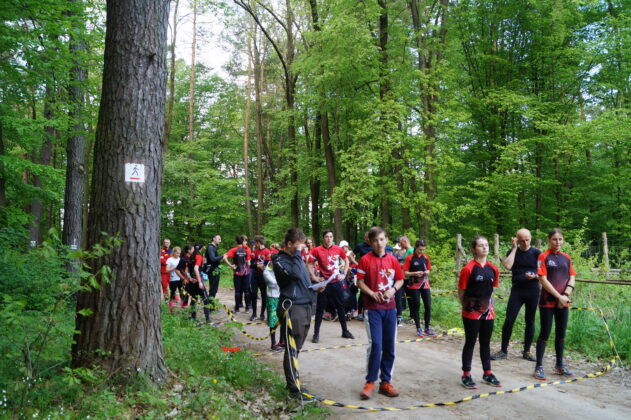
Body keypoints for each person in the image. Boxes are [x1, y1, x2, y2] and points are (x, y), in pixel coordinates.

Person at [357, 226, 404, 400]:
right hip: (372, 309)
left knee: (389, 346)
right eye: (375, 240)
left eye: (382, 239)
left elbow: (400, 279)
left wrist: (392, 290)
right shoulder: (365, 260)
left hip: (390, 309)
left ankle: (386, 382)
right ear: (370, 241)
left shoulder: (392, 259)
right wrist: (370, 293)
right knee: (376, 345)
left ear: (387, 240)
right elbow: (359, 282)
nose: (379, 243)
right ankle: (370, 381)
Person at [273, 228, 316, 399]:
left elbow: (303, 279)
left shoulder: (296, 259)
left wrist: (316, 287)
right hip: (293, 308)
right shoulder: (280, 260)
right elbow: (297, 274)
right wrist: (299, 255)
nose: (301, 250)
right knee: (291, 349)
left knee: (296, 348)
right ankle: (293, 389)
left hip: (305, 306)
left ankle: (293, 382)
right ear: (289, 244)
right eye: (298, 247)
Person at [458, 236, 501, 389]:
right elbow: (461, 291)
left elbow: (491, 290)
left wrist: (490, 309)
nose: (485, 247)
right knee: (470, 342)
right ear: (474, 249)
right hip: (471, 312)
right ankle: (466, 374)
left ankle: (487, 373)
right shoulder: (468, 268)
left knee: (486, 342)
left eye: (486, 245)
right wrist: (467, 307)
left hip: (488, 312)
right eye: (481, 245)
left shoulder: (494, 269)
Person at [492, 229, 541, 361]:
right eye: (522, 240)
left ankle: (527, 351)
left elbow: (543, 272)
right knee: (509, 320)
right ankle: (503, 350)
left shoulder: (537, 253)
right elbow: (507, 266)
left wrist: (535, 276)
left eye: (527, 239)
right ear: (517, 240)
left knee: (530, 321)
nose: (525, 243)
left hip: (533, 290)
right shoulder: (512, 252)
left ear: (531, 238)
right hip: (517, 290)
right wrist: (514, 249)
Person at [533, 228, 576, 380]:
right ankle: (538, 366)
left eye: (560, 239)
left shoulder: (566, 257)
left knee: (561, 333)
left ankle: (559, 364)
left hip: (563, 301)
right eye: (554, 239)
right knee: (545, 333)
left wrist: (565, 295)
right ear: (548, 240)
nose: (557, 242)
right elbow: (543, 279)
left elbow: (572, 277)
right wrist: (558, 297)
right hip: (547, 302)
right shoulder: (543, 256)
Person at [308, 230, 354, 343]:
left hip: (336, 282)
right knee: (320, 309)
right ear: (323, 238)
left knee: (341, 307)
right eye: (327, 237)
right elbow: (309, 263)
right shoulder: (316, 250)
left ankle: (345, 331)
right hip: (324, 283)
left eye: (331, 237)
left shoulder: (338, 249)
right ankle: (316, 334)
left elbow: (346, 261)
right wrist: (314, 277)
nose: (329, 239)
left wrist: (344, 273)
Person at [403, 239, 435, 337]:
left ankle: (427, 328)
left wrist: (426, 272)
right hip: (414, 285)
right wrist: (415, 273)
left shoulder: (426, 257)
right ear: (416, 247)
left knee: (428, 306)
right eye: (420, 249)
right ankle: (418, 328)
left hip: (425, 284)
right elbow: (405, 272)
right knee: (416, 306)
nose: (421, 251)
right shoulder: (409, 258)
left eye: (423, 249)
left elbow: (429, 270)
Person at [179, 244, 212, 323]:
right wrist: (200, 282)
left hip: (191, 282)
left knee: (194, 299)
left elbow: (185, 271)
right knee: (206, 300)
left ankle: (193, 317)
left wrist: (190, 278)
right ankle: (208, 320)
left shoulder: (190, 258)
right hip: (198, 281)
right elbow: (196, 269)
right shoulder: (198, 256)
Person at [223, 235, 252, 313]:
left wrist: (231, 265)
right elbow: (249, 263)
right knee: (246, 291)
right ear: (243, 241)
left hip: (237, 273)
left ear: (236, 242)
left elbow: (224, 257)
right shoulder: (247, 250)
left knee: (237, 291)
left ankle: (237, 309)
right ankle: (247, 309)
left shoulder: (233, 250)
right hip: (246, 273)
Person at [264, 253, 283, 352]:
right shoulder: (267, 271)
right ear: (271, 261)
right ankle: (273, 343)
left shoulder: (279, 269)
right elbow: (274, 283)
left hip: (281, 296)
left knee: (283, 319)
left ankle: (281, 341)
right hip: (272, 298)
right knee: (273, 321)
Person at [250, 235, 271, 321]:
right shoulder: (254, 252)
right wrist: (258, 265)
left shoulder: (267, 251)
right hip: (255, 276)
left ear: (258, 243)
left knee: (263, 295)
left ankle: (262, 314)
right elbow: (251, 264)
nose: (255, 244)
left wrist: (259, 265)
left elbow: (266, 264)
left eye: (255, 243)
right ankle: (254, 313)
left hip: (263, 276)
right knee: (254, 294)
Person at [393, 236, 411, 325]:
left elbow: (409, 264)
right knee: (399, 295)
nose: (399, 244)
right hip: (400, 276)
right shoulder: (397, 253)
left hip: (408, 277)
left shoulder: (410, 251)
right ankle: (399, 315)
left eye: (400, 242)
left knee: (409, 296)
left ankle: (412, 315)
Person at [340, 240, 359, 319]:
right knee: (348, 294)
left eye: (343, 247)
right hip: (347, 277)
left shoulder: (350, 254)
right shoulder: (343, 255)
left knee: (353, 293)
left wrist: (351, 263)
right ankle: (349, 309)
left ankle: (355, 309)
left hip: (353, 277)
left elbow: (356, 265)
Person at [204, 234, 223, 304]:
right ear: (214, 239)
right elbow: (213, 259)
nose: (220, 241)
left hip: (215, 270)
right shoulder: (210, 247)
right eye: (219, 239)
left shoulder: (213, 247)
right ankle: (210, 306)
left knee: (214, 289)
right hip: (212, 271)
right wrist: (222, 256)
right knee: (213, 288)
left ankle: (211, 305)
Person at [166, 246, 182, 312]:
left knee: (182, 293)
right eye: (177, 253)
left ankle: (182, 306)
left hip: (180, 278)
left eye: (179, 253)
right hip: (173, 279)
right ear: (174, 252)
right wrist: (174, 268)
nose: (178, 254)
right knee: (173, 293)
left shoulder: (180, 259)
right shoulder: (169, 259)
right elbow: (167, 270)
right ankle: (171, 309)